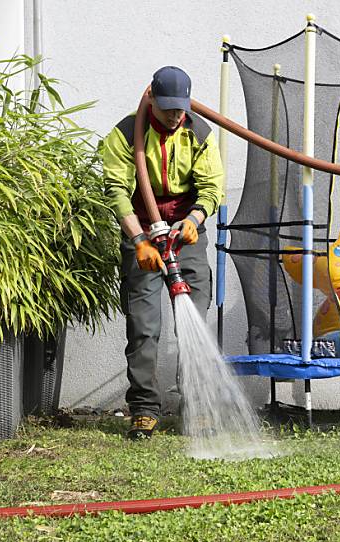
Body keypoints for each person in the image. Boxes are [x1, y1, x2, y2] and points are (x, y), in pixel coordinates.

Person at [99, 66, 224, 439]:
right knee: (143, 326)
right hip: (142, 235)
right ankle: (144, 409)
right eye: (168, 107)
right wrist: (139, 240)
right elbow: (117, 190)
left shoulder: (199, 132)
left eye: (180, 108)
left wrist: (195, 219)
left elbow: (213, 186)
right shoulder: (125, 135)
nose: (175, 115)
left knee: (195, 321)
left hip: (186, 234)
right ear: (150, 98)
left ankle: (197, 408)